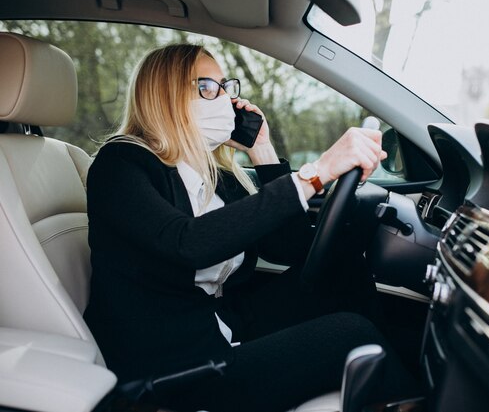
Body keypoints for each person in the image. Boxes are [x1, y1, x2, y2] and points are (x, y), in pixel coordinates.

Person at [84, 44, 417, 412]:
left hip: (219, 324)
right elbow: (188, 243)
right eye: (209, 87)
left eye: (226, 87)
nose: (225, 99)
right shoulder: (119, 164)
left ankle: (391, 391)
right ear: (165, 94)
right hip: (170, 367)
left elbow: (289, 248)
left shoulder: (209, 173)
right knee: (352, 334)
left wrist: (263, 151)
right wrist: (316, 173)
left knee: (344, 271)